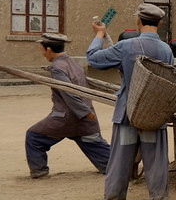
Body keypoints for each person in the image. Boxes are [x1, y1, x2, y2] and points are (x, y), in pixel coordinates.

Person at [87, 3, 175, 200]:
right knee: (155, 159)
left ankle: (114, 197)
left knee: (120, 157)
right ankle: (158, 199)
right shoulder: (166, 50)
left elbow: (94, 59)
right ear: (160, 24)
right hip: (153, 114)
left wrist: (99, 35)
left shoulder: (127, 46)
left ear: (138, 22)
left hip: (128, 112)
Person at [25, 33, 111, 179]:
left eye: (42, 50)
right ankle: (115, 165)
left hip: (66, 118)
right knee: (94, 144)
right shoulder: (74, 64)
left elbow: (69, 93)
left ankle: (39, 170)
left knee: (34, 137)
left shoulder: (57, 67)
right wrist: (87, 114)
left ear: (49, 50)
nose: (43, 54)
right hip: (86, 118)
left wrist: (84, 113)